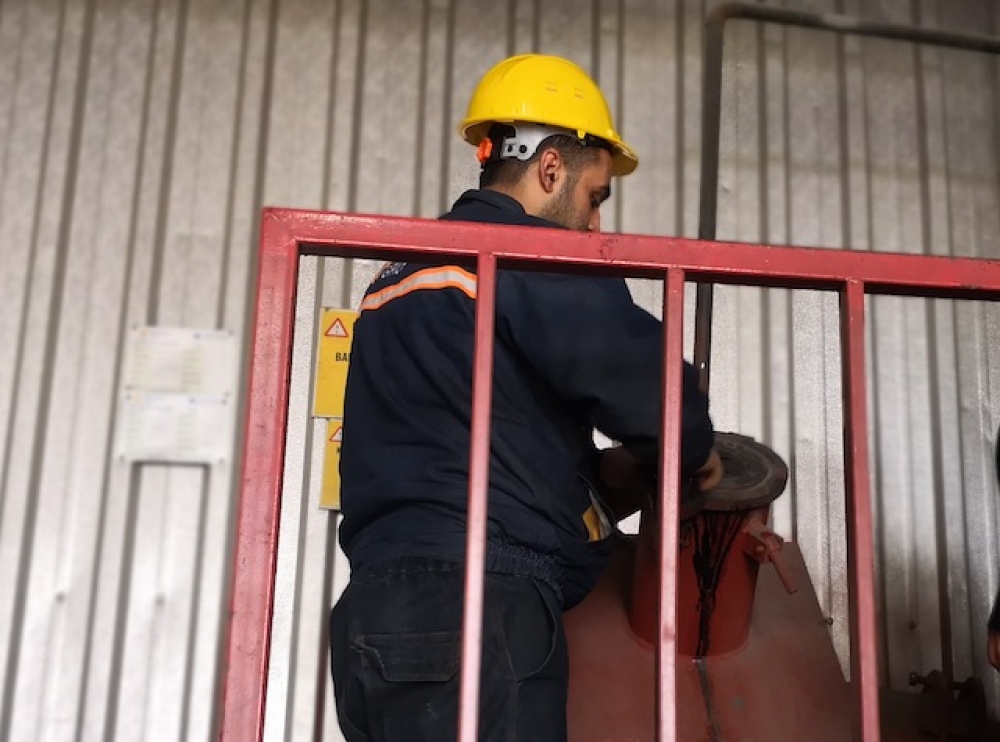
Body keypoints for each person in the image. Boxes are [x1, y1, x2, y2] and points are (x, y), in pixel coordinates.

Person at [329, 53, 722, 741]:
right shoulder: (520, 252)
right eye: (595, 198)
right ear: (549, 169)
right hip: (480, 608)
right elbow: (648, 383)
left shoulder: (399, 274)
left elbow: (480, 447)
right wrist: (694, 452)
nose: (596, 228)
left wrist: (607, 483)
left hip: (372, 614)